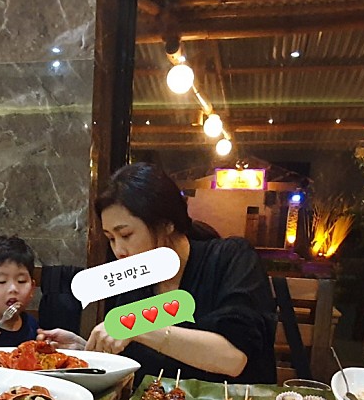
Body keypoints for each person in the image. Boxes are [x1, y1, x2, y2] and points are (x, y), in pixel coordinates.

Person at [38, 162, 277, 385]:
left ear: (166, 223)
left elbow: (233, 359)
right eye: (111, 238)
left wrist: (134, 325)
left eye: (126, 235)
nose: (119, 250)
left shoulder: (231, 258)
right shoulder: (134, 279)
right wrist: (84, 351)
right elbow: (134, 355)